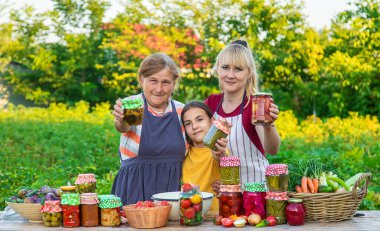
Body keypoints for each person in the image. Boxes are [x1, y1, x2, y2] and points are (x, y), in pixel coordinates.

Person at [111, 53, 186, 205]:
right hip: (135, 190)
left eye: (165, 82)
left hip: (174, 193)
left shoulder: (181, 111)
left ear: (174, 83)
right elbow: (124, 126)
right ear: (141, 79)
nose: (159, 89)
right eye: (153, 81)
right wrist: (121, 119)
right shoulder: (134, 105)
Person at [205, 39, 281, 187]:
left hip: (255, 190)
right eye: (225, 67)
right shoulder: (210, 104)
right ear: (217, 69)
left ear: (249, 73)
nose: (230, 75)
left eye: (238, 69)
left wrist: (268, 125)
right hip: (226, 193)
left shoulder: (256, 105)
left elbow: (272, 149)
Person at [181, 101, 228, 214]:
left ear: (212, 122)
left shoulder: (218, 150)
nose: (195, 126)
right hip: (189, 216)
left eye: (200, 119)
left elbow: (221, 157)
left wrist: (220, 153)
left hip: (214, 216)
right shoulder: (184, 153)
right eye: (188, 123)